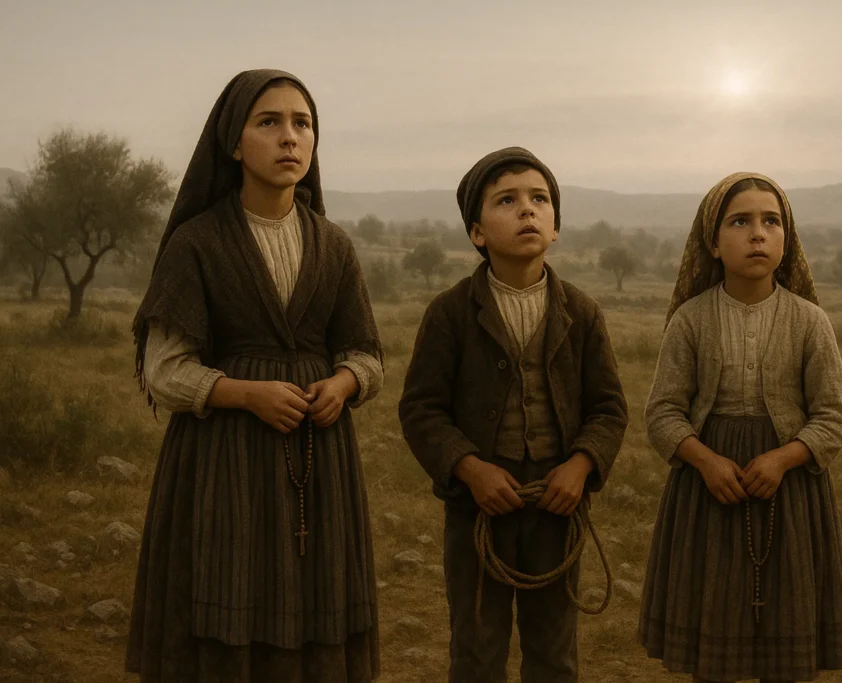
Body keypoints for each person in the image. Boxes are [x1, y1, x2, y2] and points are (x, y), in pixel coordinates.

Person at [127, 69, 384, 682]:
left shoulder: (335, 245)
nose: (289, 137)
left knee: (313, 593)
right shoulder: (196, 243)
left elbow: (367, 353)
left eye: (303, 123)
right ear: (234, 143)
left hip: (320, 461)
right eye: (269, 122)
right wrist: (246, 395)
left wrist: (344, 383)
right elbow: (165, 371)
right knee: (228, 587)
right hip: (222, 460)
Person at [399, 147, 628, 682]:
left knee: (554, 652)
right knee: (477, 650)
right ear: (477, 232)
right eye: (507, 200)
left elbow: (609, 408)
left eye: (540, 199)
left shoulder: (582, 312)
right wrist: (470, 468)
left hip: (558, 503)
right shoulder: (451, 313)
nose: (527, 210)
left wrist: (579, 466)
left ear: (555, 227)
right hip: (480, 504)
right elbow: (421, 408)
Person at [639, 172, 842, 683]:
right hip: (709, 492)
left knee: (788, 628)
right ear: (712, 242)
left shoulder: (809, 322)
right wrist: (707, 461)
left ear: (787, 238)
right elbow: (663, 412)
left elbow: (834, 415)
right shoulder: (690, 321)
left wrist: (784, 457)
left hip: (792, 493)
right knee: (713, 629)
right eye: (740, 221)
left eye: (771, 221)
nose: (757, 233)